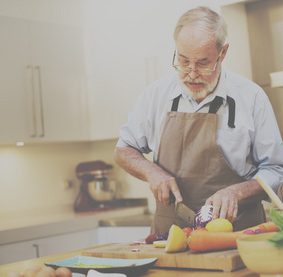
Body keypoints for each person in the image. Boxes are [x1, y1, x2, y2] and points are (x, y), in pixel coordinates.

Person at [114, 6, 283, 233]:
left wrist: (237, 192)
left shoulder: (251, 98)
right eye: (183, 61)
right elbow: (124, 150)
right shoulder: (155, 95)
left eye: (203, 63)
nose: (191, 73)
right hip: (170, 235)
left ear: (223, 53)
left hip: (238, 235)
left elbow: (276, 168)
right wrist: (151, 171)